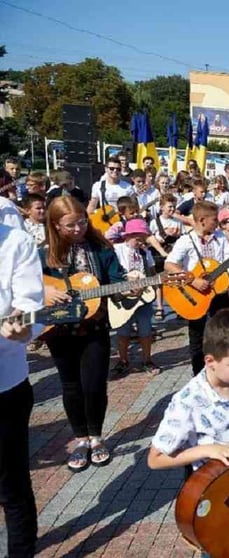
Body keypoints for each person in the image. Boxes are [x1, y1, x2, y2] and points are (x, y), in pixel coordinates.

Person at [42, 197, 127, 472]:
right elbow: (26, 285)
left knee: (94, 385)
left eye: (82, 222)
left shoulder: (101, 247)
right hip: (58, 329)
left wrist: (128, 287)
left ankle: (96, 437)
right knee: (71, 386)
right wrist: (45, 291)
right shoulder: (44, 255)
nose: (78, 228)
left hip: (95, 326)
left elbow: (116, 278)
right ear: (55, 225)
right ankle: (80, 438)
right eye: (70, 225)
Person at [147, 309, 229, 472]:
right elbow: (155, 460)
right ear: (210, 361)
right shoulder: (187, 401)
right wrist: (209, 450)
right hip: (204, 488)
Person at [0, 221, 44, 557]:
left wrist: (23, 328)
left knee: (10, 485)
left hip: (5, 384)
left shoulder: (15, 241)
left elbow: (31, 307)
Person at [164, 201, 229, 375]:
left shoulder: (220, 237)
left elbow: (228, 259)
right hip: (195, 294)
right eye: (214, 220)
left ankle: (221, 369)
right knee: (196, 335)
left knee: (222, 331)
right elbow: (169, 264)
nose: (217, 223)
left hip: (218, 292)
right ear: (202, 220)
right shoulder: (186, 241)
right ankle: (198, 373)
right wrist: (192, 280)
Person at [111, 218, 160, 377]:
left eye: (143, 239)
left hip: (143, 298)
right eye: (137, 239)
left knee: (145, 329)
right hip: (122, 297)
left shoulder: (146, 253)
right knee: (123, 330)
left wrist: (152, 283)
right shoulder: (116, 250)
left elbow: (151, 273)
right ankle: (123, 360)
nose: (140, 242)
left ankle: (147, 360)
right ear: (127, 236)